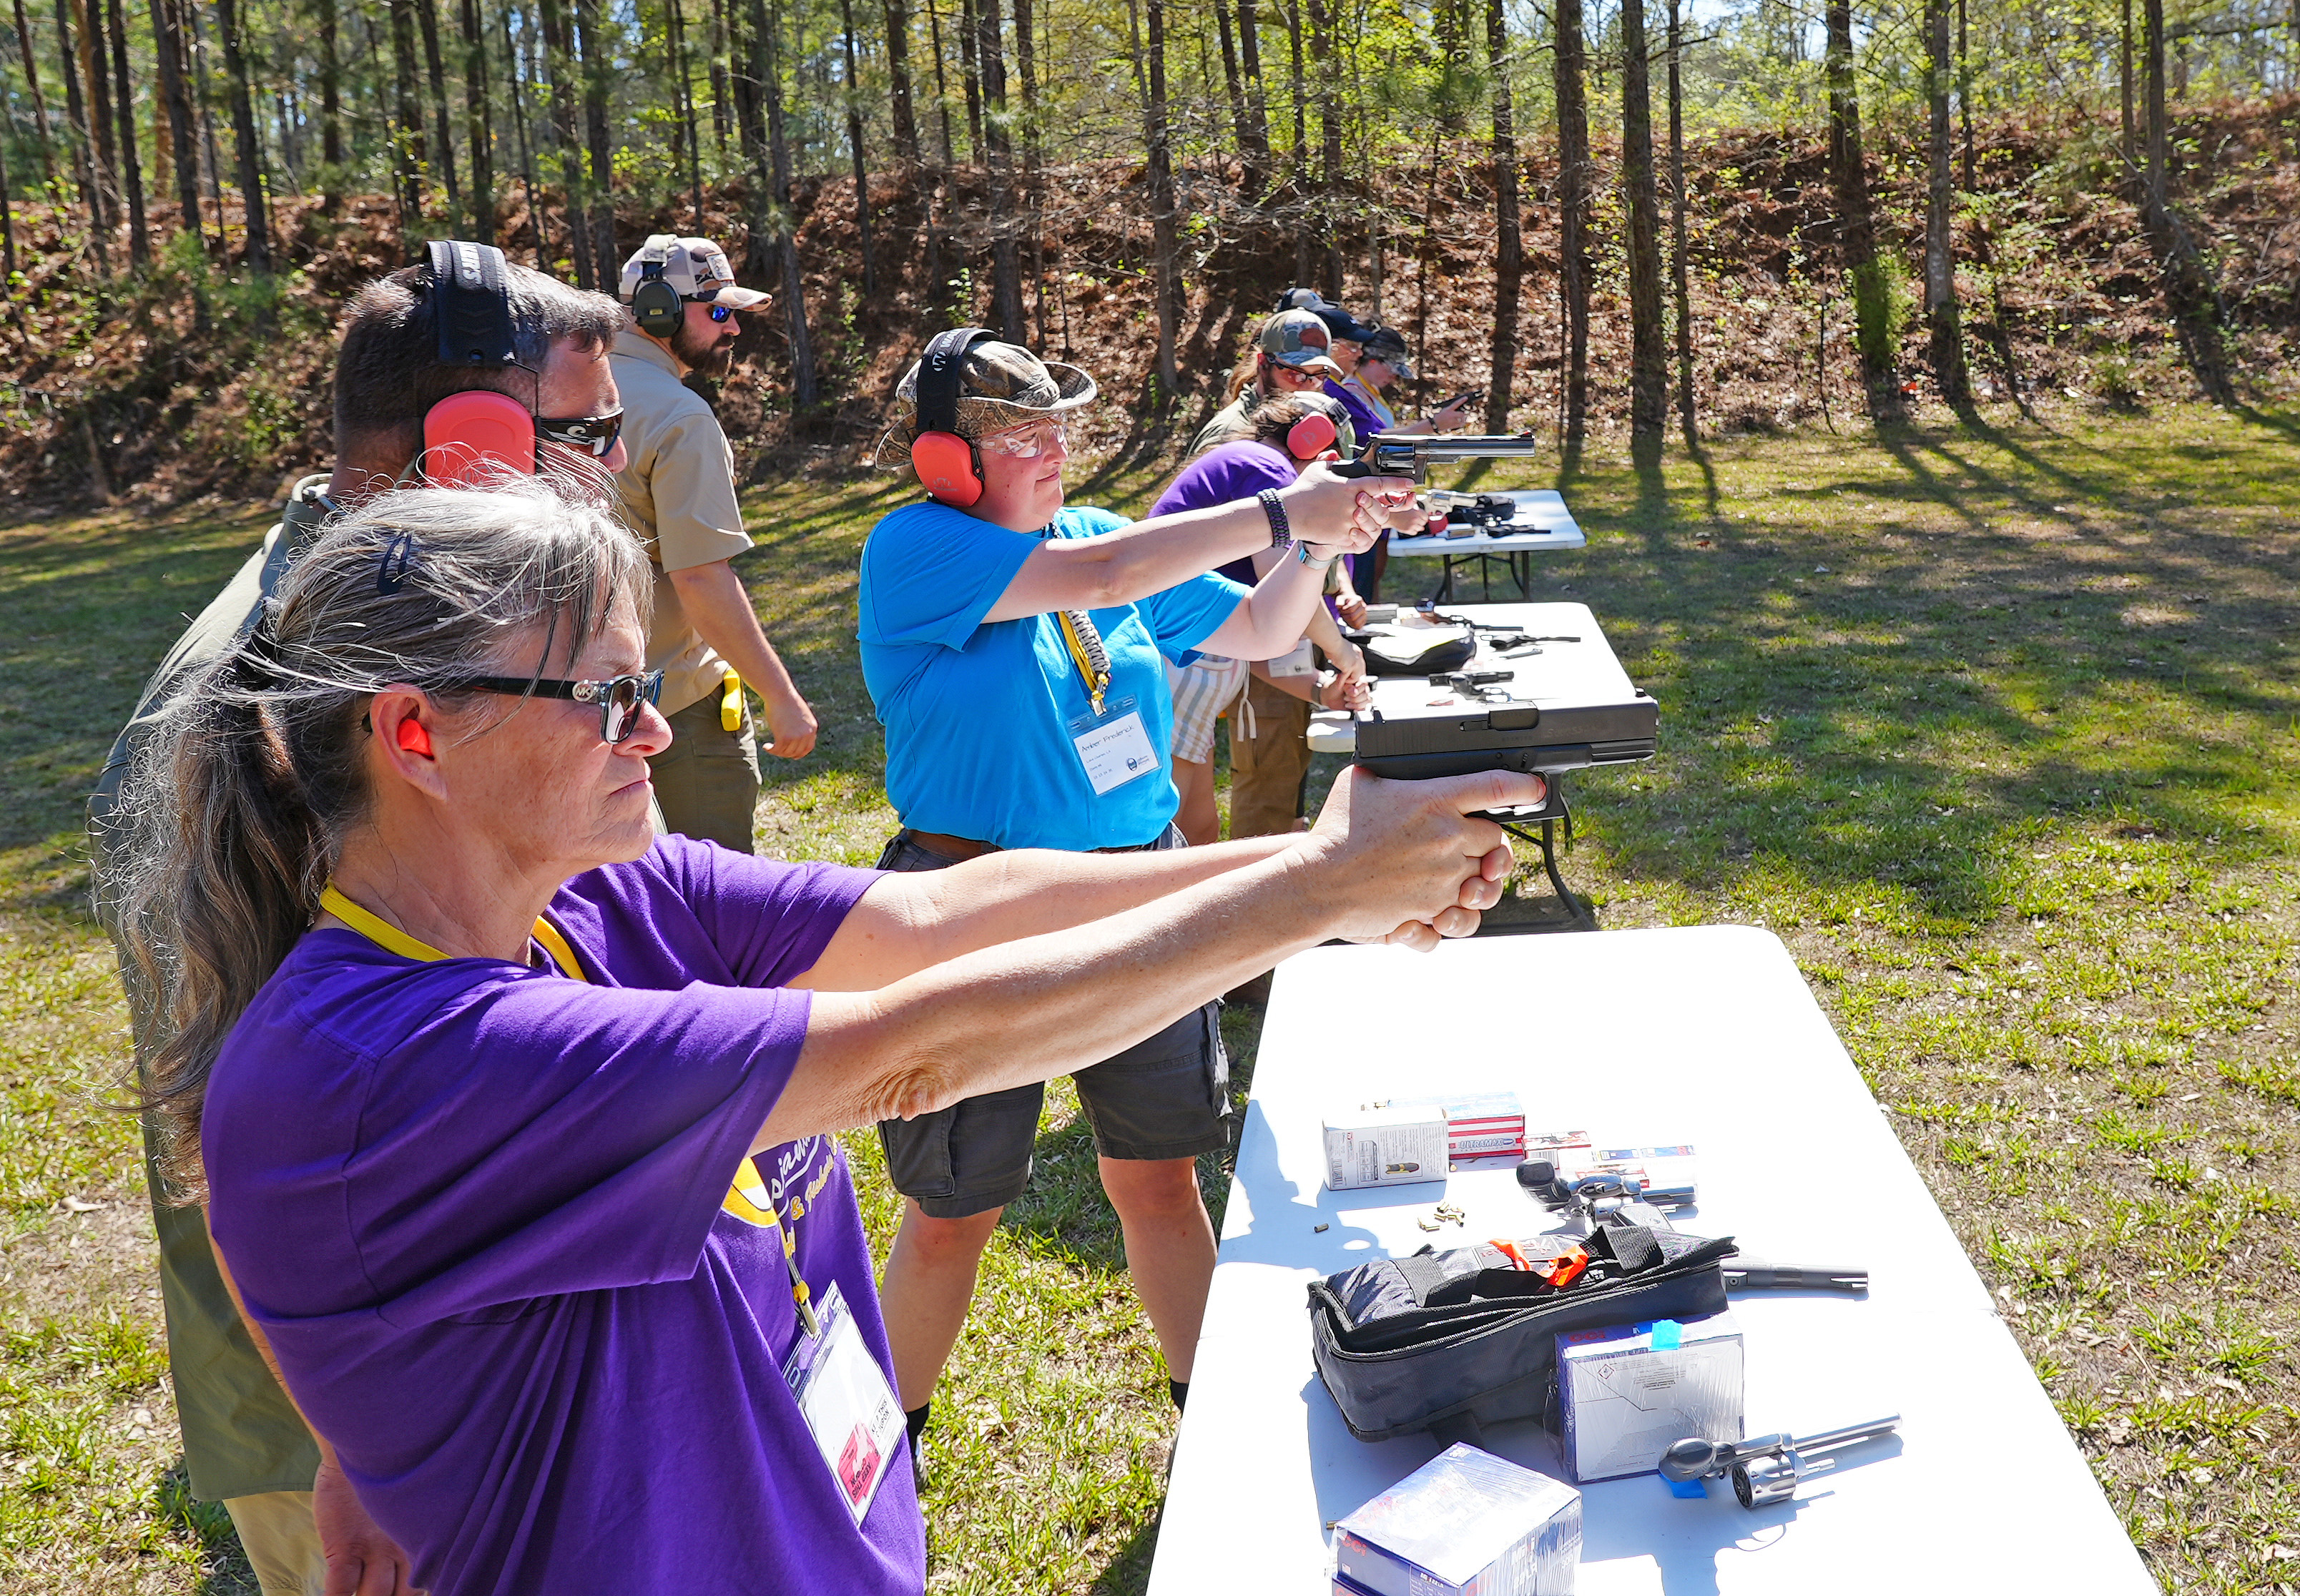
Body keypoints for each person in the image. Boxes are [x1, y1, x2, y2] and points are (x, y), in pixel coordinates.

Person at [107, 479, 1537, 1596]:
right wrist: (1324, 886)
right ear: (415, 735)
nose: (653, 732)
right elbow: (918, 1048)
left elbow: (945, 921)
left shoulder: (579, 897)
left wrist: (1316, 870)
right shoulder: (388, 1068)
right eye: (608, 696)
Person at [85, 243, 628, 1596]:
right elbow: (233, 1130)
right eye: (588, 435)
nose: (613, 470)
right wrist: (353, 1444)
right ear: (476, 449)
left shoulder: (431, 628)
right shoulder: (250, 708)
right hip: (357, 1403)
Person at [857, 331, 1425, 1432]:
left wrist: (1320, 539)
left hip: (1141, 893)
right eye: (1025, 436)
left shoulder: (1095, 532)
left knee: (1162, 1180)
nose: (1056, 449)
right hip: (980, 909)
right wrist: (1281, 514)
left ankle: (1208, 1428)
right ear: (947, 462)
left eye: (1060, 426)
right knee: (950, 1212)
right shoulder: (915, 546)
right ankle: (884, 1454)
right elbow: (1106, 580)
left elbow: (1261, 627)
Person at [612, 234, 818, 852]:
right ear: (657, 311)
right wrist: (782, 697)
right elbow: (700, 577)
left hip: (572, 706)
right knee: (716, 904)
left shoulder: (554, 391)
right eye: (718, 312)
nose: (733, 331)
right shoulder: (679, 418)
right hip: (677, 707)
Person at [1148, 393, 1370, 846]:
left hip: (1192, 668)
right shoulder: (1265, 469)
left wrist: (1318, 690)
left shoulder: (1250, 463)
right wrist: (1342, 651)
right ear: (1316, 446)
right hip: (1179, 666)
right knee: (1169, 838)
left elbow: (1260, 632)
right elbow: (1284, 588)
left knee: (1199, 830)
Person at [1186, 308, 1355, 457]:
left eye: (1319, 375)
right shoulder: (1230, 433)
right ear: (1263, 363)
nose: (1308, 386)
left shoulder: (1309, 425)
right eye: (1294, 373)